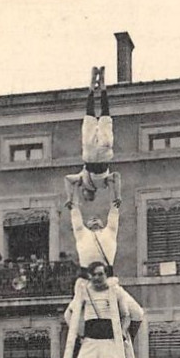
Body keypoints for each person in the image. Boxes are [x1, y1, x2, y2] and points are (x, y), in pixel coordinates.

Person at [64, 68, 120, 202]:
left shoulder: (82, 179)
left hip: (95, 155)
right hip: (97, 155)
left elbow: (67, 179)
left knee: (93, 118)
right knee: (102, 117)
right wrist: (118, 196)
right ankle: (102, 85)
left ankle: (94, 85)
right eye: (87, 196)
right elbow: (116, 176)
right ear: (86, 192)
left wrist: (69, 198)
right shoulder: (97, 184)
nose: (86, 195)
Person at [64, 196, 121, 278]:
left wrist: (115, 208)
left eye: (96, 219)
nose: (94, 220)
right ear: (88, 226)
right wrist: (74, 209)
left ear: (101, 225)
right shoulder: (83, 234)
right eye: (92, 220)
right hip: (86, 272)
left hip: (105, 271)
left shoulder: (109, 233)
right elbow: (77, 224)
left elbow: (113, 220)